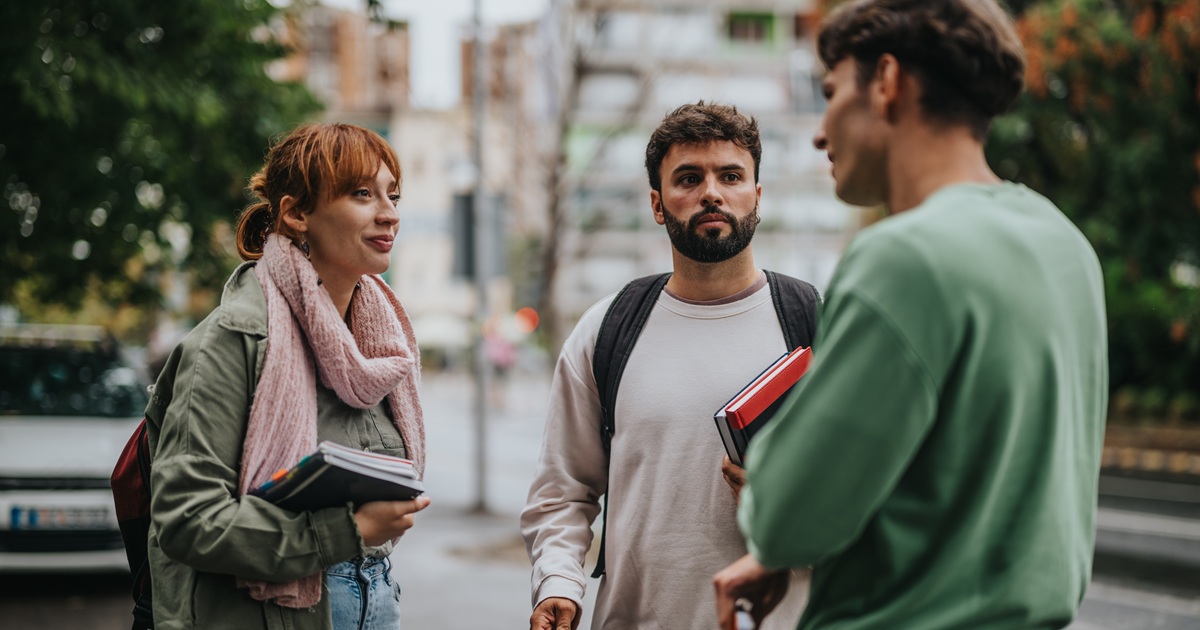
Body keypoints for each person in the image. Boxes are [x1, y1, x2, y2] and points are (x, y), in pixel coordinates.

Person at [712, 1, 1108, 629]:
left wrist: (767, 510)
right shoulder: (1065, 247)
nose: (820, 132)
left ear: (889, 82)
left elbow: (788, 517)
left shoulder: (903, 259)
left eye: (831, 92)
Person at [521, 101, 817, 630]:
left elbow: (876, 501)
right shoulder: (605, 329)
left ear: (757, 197)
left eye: (731, 176)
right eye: (689, 178)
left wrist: (789, 504)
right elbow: (562, 491)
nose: (711, 192)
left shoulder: (819, 325)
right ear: (658, 205)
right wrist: (559, 584)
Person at [145, 123, 431, 630]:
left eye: (393, 195)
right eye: (362, 194)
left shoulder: (383, 345)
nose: (389, 213)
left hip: (377, 599)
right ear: (297, 213)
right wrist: (346, 531)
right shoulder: (234, 340)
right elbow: (187, 520)